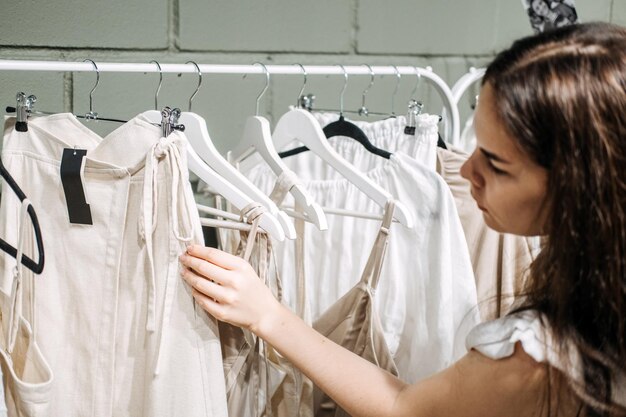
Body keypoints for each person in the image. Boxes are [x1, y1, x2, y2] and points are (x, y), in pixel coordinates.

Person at [179, 22, 626, 417]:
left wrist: (270, 317)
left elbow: (404, 408)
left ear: (578, 184)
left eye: (495, 163)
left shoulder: (541, 355)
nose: (465, 170)